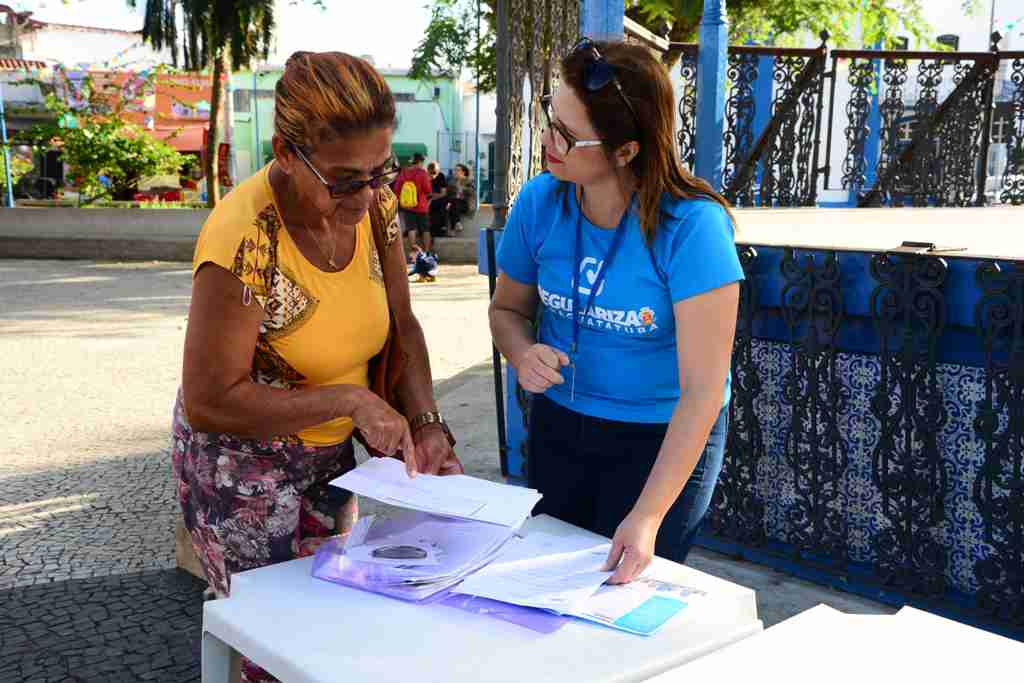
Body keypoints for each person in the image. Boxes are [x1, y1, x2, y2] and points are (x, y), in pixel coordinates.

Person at [173, 51, 461, 682]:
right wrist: (350, 402)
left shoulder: (376, 208)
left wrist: (427, 419)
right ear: (283, 151)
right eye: (342, 179)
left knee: (334, 638)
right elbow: (210, 398)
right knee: (276, 651)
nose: (364, 196)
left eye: (378, 173)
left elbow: (401, 326)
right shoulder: (243, 238)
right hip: (241, 471)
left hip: (327, 462)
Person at [489, 39, 742, 586]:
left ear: (625, 151)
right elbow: (507, 309)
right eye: (549, 117)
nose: (546, 140)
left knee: (619, 595)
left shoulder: (693, 228)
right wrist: (521, 350)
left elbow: (703, 391)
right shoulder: (539, 202)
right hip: (563, 423)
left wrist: (649, 516)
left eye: (566, 134)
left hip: (659, 437)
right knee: (547, 586)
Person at [391, 152, 433, 254]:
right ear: (420, 162)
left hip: (408, 206)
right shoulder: (422, 173)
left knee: (411, 229)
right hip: (422, 206)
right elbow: (428, 190)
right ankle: (426, 251)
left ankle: (414, 252)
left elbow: (396, 189)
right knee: (425, 229)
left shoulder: (404, 173)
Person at [444, 163, 476, 233]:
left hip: (465, 204)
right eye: (454, 170)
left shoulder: (469, 181)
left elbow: (472, 193)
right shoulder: (451, 182)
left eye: (457, 170)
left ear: (463, 172)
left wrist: (462, 188)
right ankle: (457, 224)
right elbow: (447, 194)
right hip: (452, 203)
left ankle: (453, 228)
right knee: (450, 205)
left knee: (453, 203)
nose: (455, 172)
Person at [426, 161, 449, 239]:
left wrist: (432, 198)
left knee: (441, 207)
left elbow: (443, 193)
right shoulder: (425, 177)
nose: (432, 175)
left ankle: (441, 229)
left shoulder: (441, 176)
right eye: (430, 173)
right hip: (428, 200)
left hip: (438, 200)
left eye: (434, 173)